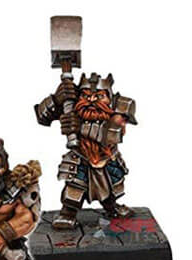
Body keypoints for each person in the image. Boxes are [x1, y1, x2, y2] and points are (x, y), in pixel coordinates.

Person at [35, 72, 137, 229]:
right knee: (75, 186)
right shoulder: (73, 107)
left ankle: (112, 208)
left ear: (110, 97)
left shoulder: (119, 109)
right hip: (80, 156)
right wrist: (56, 99)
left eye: (99, 96)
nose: (91, 100)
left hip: (106, 157)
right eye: (85, 96)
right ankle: (68, 214)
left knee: (111, 186)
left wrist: (80, 128)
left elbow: (112, 135)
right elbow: (42, 117)